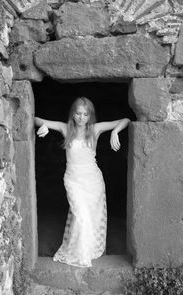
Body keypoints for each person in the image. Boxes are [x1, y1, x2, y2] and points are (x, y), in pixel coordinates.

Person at [35, 97, 130, 268]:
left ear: (90, 116)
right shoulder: (65, 129)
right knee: (81, 216)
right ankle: (79, 254)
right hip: (73, 179)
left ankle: (88, 251)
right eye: (78, 113)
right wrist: (43, 126)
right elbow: (36, 119)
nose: (81, 117)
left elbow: (126, 120)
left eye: (85, 114)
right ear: (72, 114)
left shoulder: (95, 129)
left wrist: (115, 131)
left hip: (93, 180)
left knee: (92, 218)